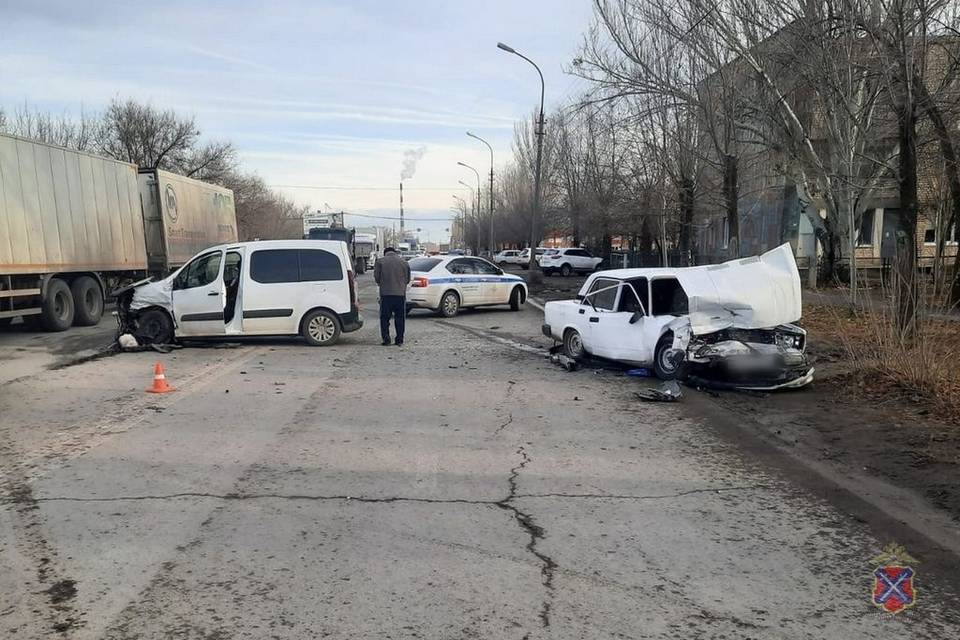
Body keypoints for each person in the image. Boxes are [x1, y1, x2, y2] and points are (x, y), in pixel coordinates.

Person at [373, 247, 411, 346]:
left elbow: (377, 278)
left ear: (385, 253)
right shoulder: (404, 262)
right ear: (395, 252)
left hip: (385, 294)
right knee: (400, 318)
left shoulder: (380, 262)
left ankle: (386, 339)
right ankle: (399, 340)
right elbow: (407, 279)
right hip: (400, 295)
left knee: (385, 318)